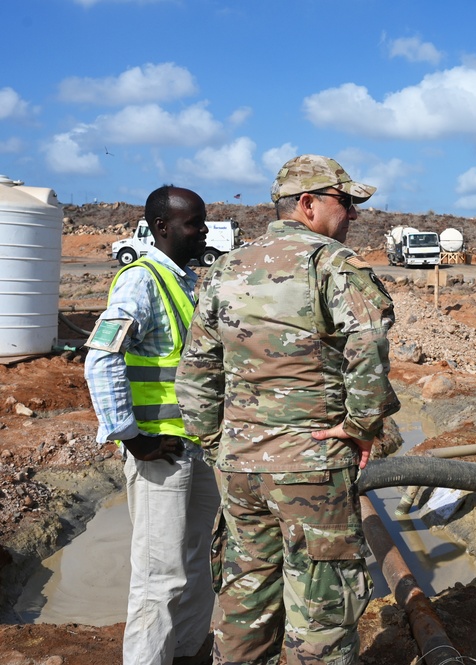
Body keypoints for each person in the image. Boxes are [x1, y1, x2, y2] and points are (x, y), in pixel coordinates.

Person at [176, 154, 400, 664]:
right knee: (321, 608)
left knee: (244, 599)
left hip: (238, 467)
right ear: (308, 204)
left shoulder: (225, 269)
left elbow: (196, 371)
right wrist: (362, 427)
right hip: (312, 469)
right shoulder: (332, 265)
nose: (353, 216)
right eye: (346, 203)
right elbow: (367, 346)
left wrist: (219, 444)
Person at [83, 185, 219, 665]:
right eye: (193, 223)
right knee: (158, 577)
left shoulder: (186, 281)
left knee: (195, 563)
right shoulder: (140, 280)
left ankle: (185, 653)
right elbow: (101, 360)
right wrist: (130, 437)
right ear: (162, 227)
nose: (203, 230)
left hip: (194, 448)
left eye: (203, 221)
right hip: (159, 453)